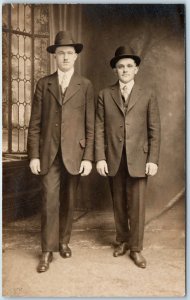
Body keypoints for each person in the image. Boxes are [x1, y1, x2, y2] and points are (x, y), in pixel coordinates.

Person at [27, 31, 94, 273]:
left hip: (75, 154)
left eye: (69, 53)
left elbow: (90, 125)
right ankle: (47, 250)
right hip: (48, 153)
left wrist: (88, 158)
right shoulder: (43, 84)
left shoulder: (85, 85)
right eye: (60, 53)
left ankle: (64, 241)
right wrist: (33, 155)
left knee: (69, 201)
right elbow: (34, 123)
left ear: (75, 56)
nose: (65, 57)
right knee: (49, 200)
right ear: (54, 56)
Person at [95, 45, 161, 268]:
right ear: (115, 70)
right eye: (120, 66)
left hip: (139, 159)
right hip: (114, 157)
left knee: (137, 204)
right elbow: (99, 128)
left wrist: (152, 159)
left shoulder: (148, 94)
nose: (124, 70)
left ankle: (136, 248)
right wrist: (100, 158)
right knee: (119, 202)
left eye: (129, 66)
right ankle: (122, 240)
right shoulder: (104, 95)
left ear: (136, 69)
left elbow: (155, 130)